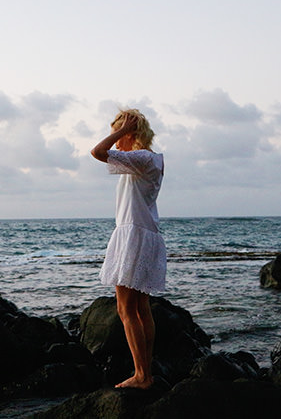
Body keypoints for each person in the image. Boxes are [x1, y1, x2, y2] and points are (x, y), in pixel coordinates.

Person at [90, 109, 166, 389]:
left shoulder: (142, 158)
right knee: (141, 307)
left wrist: (121, 131)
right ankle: (145, 372)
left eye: (119, 132)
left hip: (134, 234)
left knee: (125, 310)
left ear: (131, 132)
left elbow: (98, 151)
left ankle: (142, 375)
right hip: (146, 234)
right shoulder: (151, 160)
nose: (116, 139)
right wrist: (125, 131)